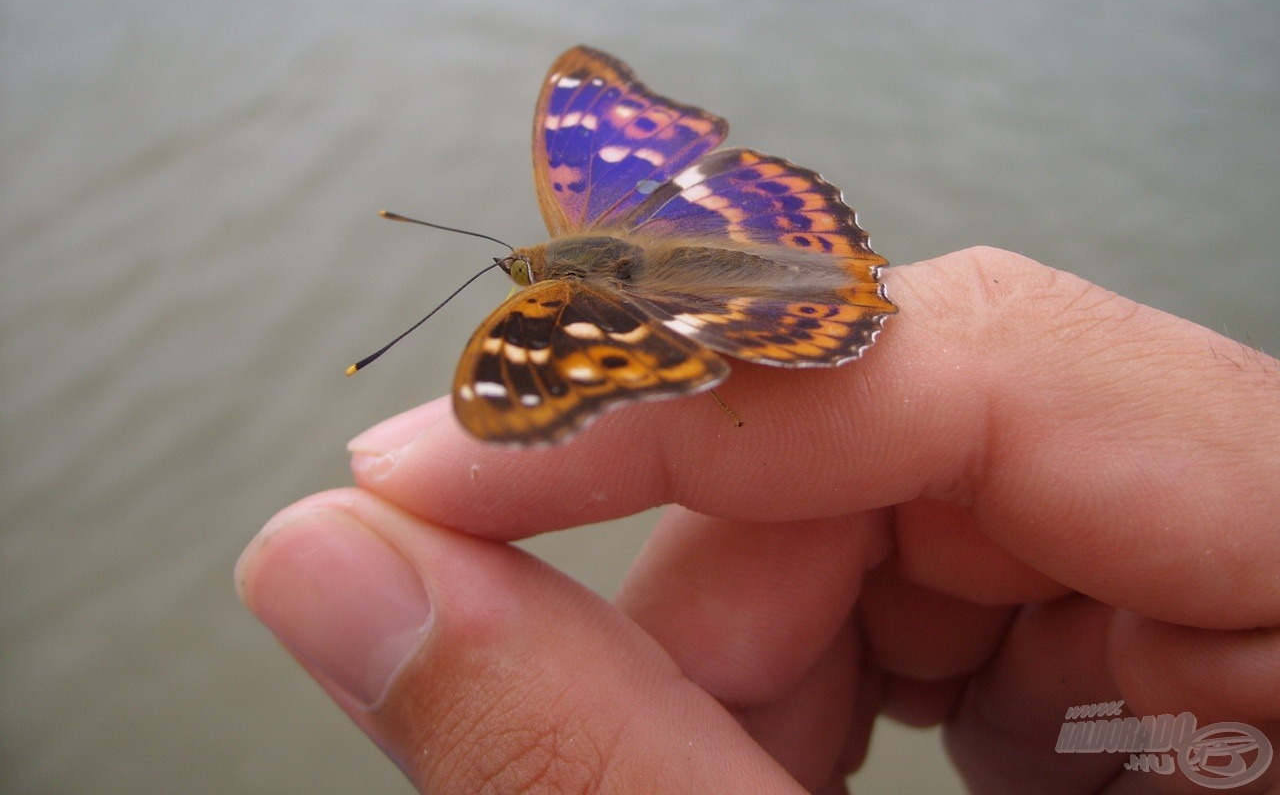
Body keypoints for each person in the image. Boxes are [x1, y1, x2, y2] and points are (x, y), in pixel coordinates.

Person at [236, 247, 1280, 793]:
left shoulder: (545, 321)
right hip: (712, 250)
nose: (520, 278)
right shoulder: (586, 247)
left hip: (701, 312)